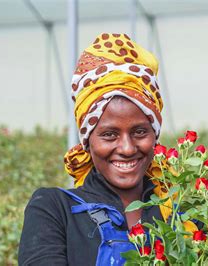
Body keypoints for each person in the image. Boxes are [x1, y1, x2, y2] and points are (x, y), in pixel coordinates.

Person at [18, 33, 191, 265]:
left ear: (155, 136)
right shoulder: (54, 208)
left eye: (140, 132)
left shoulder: (183, 214)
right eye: (109, 135)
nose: (128, 148)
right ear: (88, 142)